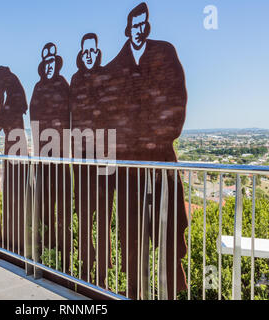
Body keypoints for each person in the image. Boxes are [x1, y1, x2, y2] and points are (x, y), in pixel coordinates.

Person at [103, 2, 188, 299]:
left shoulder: (165, 53)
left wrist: (159, 139)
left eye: (144, 24)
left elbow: (177, 100)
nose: (139, 30)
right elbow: (108, 115)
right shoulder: (115, 67)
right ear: (128, 29)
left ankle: (170, 291)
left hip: (161, 158)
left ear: (147, 26)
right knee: (131, 230)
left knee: (168, 227)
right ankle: (135, 290)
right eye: (134, 25)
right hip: (128, 166)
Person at [70, 33, 112, 283]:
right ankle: (86, 261)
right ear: (81, 53)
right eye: (84, 51)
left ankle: (104, 269)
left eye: (92, 51)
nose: (88, 55)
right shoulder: (75, 79)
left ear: (96, 52)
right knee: (85, 213)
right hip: (81, 155)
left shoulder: (104, 75)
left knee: (104, 213)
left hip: (104, 155)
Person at [30, 43, 71, 272]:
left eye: (52, 63)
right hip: (44, 154)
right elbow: (34, 117)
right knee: (44, 201)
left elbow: (68, 115)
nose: (49, 67)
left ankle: (62, 246)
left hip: (61, 155)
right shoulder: (37, 88)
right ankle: (45, 243)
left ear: (57, 64)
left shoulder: (63, 86)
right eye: (46, 64)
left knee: (62, 201)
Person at [0, 66, 28, 254]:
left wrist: (0, 98)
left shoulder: (13, 100)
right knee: (12, 191)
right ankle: (12, 236)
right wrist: (0, 98)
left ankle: (16, 237)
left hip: (16, 148)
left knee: (15, 191)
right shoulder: (12, 97)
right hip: (13, 147)